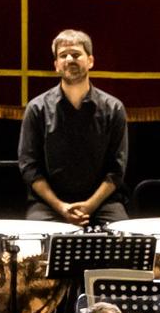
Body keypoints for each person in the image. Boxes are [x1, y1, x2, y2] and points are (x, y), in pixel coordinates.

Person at [17, 29, 128, 225]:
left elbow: (117, 170)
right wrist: (60, 206)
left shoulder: (114, 108)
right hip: (49, 204)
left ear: (90, 61)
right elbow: (29, 167)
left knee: (124, 240)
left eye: (76, 54)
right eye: (63, 56)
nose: (69, 59)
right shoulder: (37, 108)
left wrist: (90, 206)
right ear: (56, 65)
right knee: (34, 246)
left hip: (102, 203)